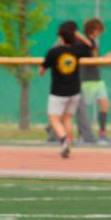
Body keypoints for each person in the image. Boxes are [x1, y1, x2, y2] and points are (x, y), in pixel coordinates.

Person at [39, 20, 91, 158]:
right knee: (68, 118)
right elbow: (90, 45)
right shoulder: (78, 50)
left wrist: (45, 67)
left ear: (60, 36)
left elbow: (41, 70)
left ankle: (63, 140)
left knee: (54, 118)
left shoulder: (53, 52)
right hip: (74, 91)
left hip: (58, 92)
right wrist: (77, 35)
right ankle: (68, 145)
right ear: (74, 35)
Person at [80, 18, 111, 145]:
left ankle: (102, 134)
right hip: (86, 81)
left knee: (105, 105)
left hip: (97, 80)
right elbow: (93, 61)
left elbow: (96, 61)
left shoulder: (94, 43)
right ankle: (82, 135)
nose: (100, 33)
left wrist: (104, 59)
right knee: (81, 110)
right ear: (93, 30)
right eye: (99, 30)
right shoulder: (85, 42)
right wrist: (105, 59)